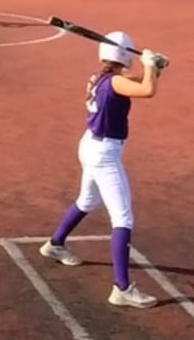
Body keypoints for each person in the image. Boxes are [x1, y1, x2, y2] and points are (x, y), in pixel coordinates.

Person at [38, 31, 168, 310]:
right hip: (105, 155)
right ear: (124, 55)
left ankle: (56, 244)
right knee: (123, 218)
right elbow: (147, 90)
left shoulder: (100, 77)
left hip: (90, 146)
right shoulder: (116, 81)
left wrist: (155, 68)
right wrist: (148, 64)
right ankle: (122, 289)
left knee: (88, 201)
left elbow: (140, 83)